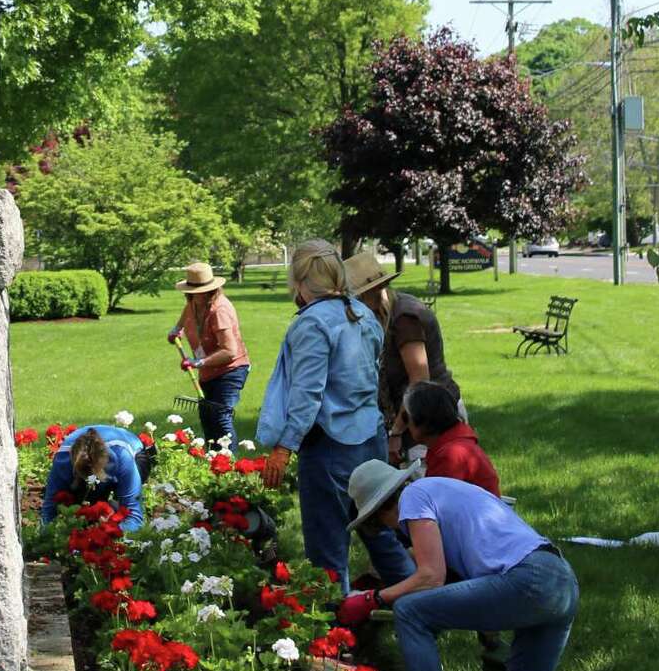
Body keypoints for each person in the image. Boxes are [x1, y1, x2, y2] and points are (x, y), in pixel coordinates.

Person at [338, 461, 659, 671]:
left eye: (381, 525)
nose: (395, 534)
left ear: (382, 508)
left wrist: (372, 599)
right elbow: (472, 582)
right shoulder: (446, 491)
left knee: (410, 612)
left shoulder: (413, 499)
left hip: (528, 581)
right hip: (561, 581)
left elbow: (430, 577)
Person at [254, 239, 411, 592]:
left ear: (298, 281)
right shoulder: (362, 314)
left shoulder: (312, 324)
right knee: (379, 531)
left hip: (330, 447)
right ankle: (421, 605)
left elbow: (308, 395)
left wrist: (284, 447)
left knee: (327, 550)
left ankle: (334, 635)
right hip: (370, 437)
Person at [344, 252, 463, 463]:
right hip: (411, 418)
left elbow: (420, 382)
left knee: (427, 485)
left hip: (429, 421)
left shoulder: (405, 318)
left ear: (369, 293)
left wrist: (396, 433)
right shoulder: (381, 316)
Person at [167, 262, 250, 452]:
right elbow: (184, 319)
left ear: (209, 290)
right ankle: (214, 465)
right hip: (208, 372)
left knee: (220, 418)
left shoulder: (219, 310)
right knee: (207, 417)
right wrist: (175, 331)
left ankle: (230, 466)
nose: (192, 294)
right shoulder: (193, 303)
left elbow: (230, 351)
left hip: (231, 371)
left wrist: (199, 362)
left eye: (197, 291)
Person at [39, 424, 152, 532]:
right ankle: (101, 505)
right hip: (87, 469)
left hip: (135, 454)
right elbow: (49, 510)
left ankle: (114, 506)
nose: (90, 479)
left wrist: (107, 533)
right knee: (82, 499)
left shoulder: (123, 457)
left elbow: (135, 517)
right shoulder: (62, 461)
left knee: (124, 509)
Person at [404, 380, 500, 495]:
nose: (406, 425)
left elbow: (438, 505)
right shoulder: (450, 445)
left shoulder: (451, 456)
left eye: (406, 418)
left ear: (423, 421)